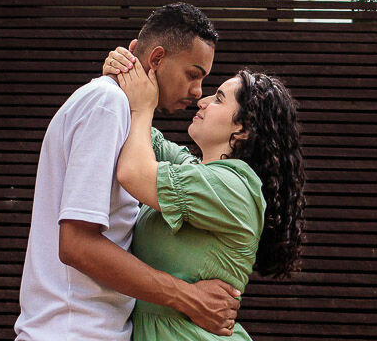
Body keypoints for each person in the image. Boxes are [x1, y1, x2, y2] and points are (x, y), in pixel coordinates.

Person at [15, 3, 244, 341]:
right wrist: (189, 297)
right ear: (157, 60)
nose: (198, 93)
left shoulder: (127, 113)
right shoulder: (107, 105)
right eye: (193, 74)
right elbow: (76, 244)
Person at [101, 46, 305, 341]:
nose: (203, 101)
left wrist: (142, 107)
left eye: (219, 98)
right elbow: (144, 136)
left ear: (243, 129)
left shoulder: (233, 188)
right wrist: (122, 75)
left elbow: (133, 171)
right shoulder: (196, 172)